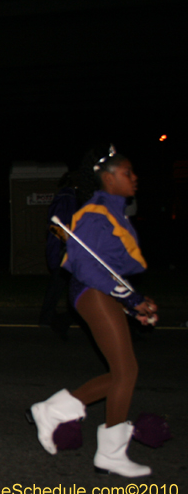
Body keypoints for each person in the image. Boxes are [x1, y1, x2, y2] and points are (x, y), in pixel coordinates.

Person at [28, 145, 157, 477]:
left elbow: (109, 267)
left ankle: (55, 408)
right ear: (108, 178)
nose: (134, 178)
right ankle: (110, 453)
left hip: (101, 293)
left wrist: (133, 302)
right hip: (91, 292)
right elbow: (85, 266)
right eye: (128, 173)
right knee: (126, 371)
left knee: (120, 373)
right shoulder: (96, 212)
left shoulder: (114, 213)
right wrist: (128, 298)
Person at [38, 172, 78, 336]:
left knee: (63, 284)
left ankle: (51, 318)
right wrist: (72, 242)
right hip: (66, 251)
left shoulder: (71, 197)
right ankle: (51, 318)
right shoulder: (66, 198)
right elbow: (56, 227)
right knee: (59, 284)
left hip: (70, 250)